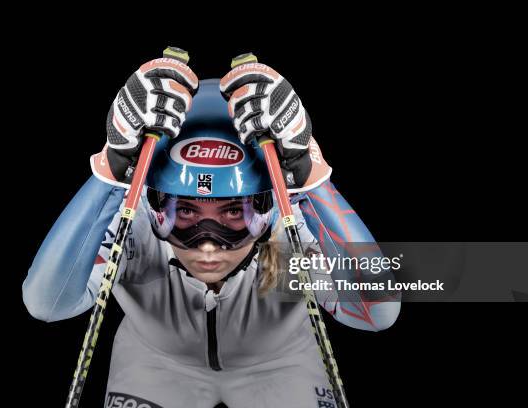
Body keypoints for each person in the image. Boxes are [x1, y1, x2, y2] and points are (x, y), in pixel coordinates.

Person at [23, 54, 401, 408]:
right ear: (153, 206)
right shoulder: (135, 223)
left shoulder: (290, 229)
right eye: (184, 211)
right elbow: (47, 303)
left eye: (234, 213)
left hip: (282, 361)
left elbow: (377, 313)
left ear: (268, 206)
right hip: (155, 361)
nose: (207, 243)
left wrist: (312, 178)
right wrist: (110, 170)